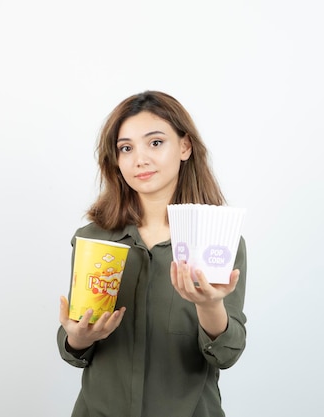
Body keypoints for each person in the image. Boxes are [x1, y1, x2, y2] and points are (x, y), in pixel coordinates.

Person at [57, 90, 247, 417]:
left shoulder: (218, 241)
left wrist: (210, 304)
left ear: (185, 147)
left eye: (155, 143)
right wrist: (77, 338)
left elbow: (225, 355)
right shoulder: (93, 240)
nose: (139, 159)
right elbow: (76, 347)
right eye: (126, 148)